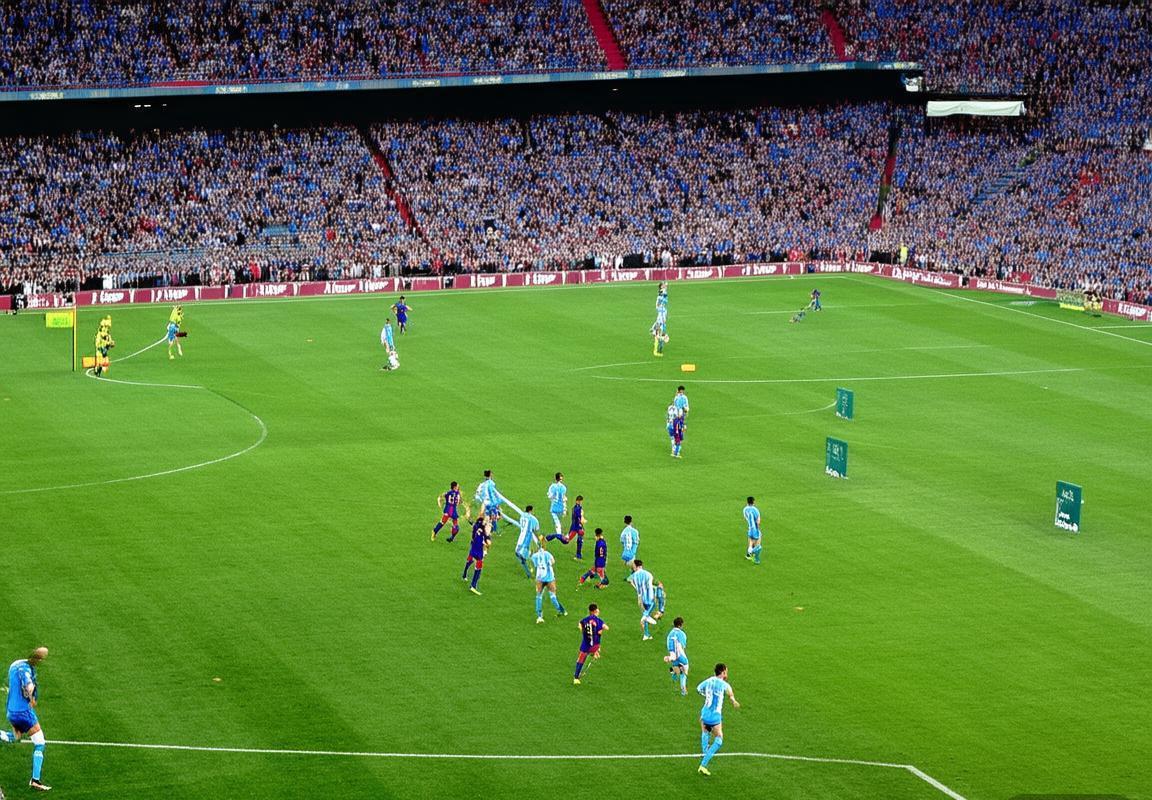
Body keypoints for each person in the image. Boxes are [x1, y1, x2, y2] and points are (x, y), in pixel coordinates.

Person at [3, 647, 51, 791]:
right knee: (40, 742)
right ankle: (35, 780)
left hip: (11, 711)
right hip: (23, 712)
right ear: (38, 659)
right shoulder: (27, 671)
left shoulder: (16, 664)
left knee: (16, 737)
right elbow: (28, 685)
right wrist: (31, 698)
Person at [697, 663, 740, 776]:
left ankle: (705, 752)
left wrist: (707, 695)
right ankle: (703, 765)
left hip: (705, 713)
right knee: (719, 739)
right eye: (726, 671)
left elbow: (698, 689)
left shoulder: (708, 680)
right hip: (715, 716)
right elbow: (730, 694)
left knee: (705, 732)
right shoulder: (724, 684)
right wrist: (734, 701)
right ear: (723, 672)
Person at [530, 542, 566, 624]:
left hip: (540, 578)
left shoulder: (534, 556)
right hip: (550, 578)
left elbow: (535, 565)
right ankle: (560, 611)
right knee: (553, 596)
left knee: (539, 596)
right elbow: (553, 561)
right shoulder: (547, 554)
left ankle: (539, 616)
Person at [573, 604, 608, 685]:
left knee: (581, 660)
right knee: (595, 647)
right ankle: (595, 652)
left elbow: (580, 624)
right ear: (595, 611)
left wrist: (582, 630)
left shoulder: (586, 619)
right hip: (595, 645)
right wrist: (601, 630)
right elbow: (606, 627)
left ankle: (576, 678)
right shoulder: (598, 621)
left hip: (585, 644)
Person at [627, 559, 658, 641]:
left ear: (636, 566)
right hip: (649, 596)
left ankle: (646, 634)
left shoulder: (633, 575)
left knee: (646, 615)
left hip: (640, 597)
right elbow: (650, 585)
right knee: (652, 607)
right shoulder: (648, 574)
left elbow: (629, 580)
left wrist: (636, 588)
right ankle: (645, 616)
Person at [460, 516, 491, 596]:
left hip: (474, 546)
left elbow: (473, 526)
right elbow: (488, 543)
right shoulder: (485, 533)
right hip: (479, 551)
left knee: (470, 560)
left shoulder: (477, 525)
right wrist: (486, 548)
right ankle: (473, 586)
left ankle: (464, 574)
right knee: (478, 568)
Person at [663, 617, 689, 695]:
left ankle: (674, 673)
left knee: (677, 667)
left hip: (673, 655)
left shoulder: (669, 635)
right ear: (681, 625)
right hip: (681, 656)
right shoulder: (682, 634)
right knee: (684, 672)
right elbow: (683, 646)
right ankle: (683, 690)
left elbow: (669, 646)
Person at [514, 504, 540, 578]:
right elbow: (536, 530)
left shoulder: (522, 515)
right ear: (531, 510)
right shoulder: (533, 519)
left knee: (520, 554)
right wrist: (538, 539)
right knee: (521, 554)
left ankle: (530, 571)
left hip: (522, 536)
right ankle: (532, 569)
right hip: (527, 537)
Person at [744, 497, 762, 564]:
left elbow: (746, 518)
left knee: (751, 541)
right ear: (754, 502)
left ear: (747, 502)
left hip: (750, 528)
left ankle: (748, 555)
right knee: (758, 545)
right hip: (755, 529)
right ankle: (754, 557)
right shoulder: (755, 510)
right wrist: (758, 529)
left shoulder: (745, 509)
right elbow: (758, 521)